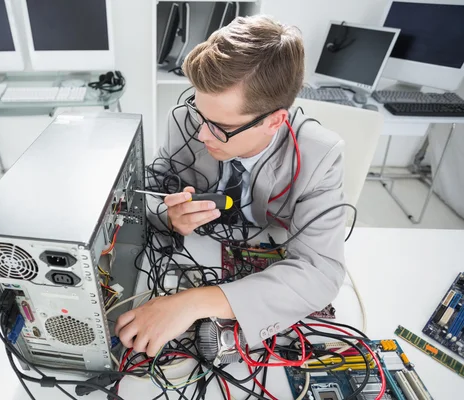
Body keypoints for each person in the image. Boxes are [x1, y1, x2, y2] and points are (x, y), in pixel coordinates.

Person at [115, 15, 347, 357]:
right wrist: (169, 215)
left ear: (274, 121)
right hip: (198, 253)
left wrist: (191, 304)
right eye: (199, 112)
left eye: (220, 126)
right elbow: (151, 187)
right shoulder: (185, 118)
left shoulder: (320, 154)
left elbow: (321, 273)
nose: (200, 134)